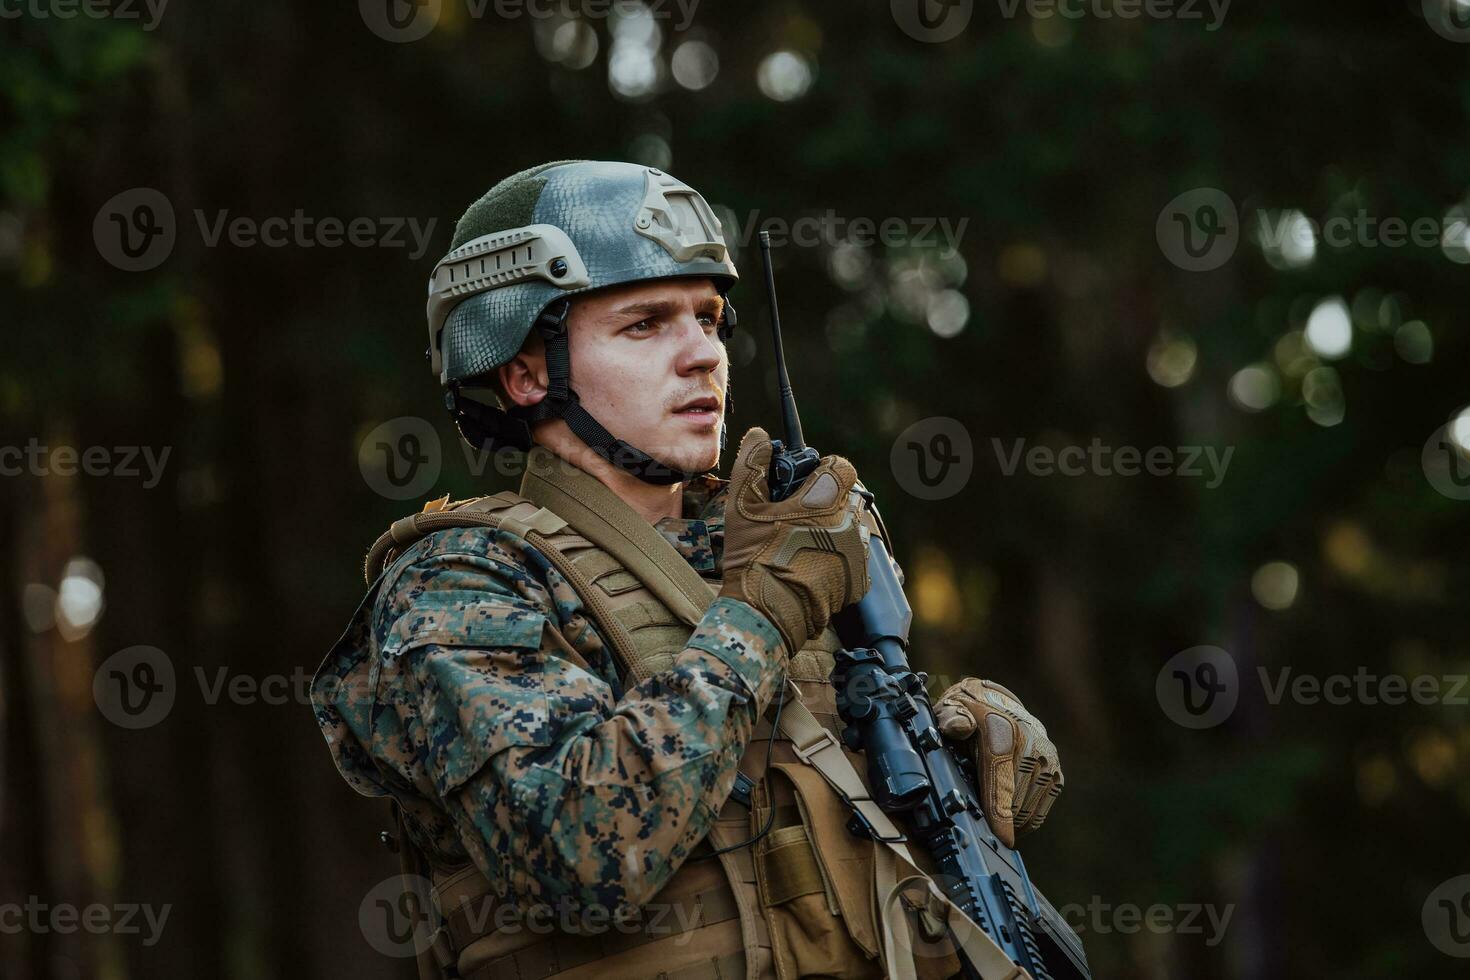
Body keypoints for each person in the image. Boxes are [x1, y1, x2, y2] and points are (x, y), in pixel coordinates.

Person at [311, 160, 1064, 980]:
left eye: (708, 318)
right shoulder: (462, 583)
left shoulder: (767, 544)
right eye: (645, 324)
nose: (703, 353)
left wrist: (961, 741)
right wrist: (761, 617)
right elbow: (577, 860)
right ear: (525, 373)